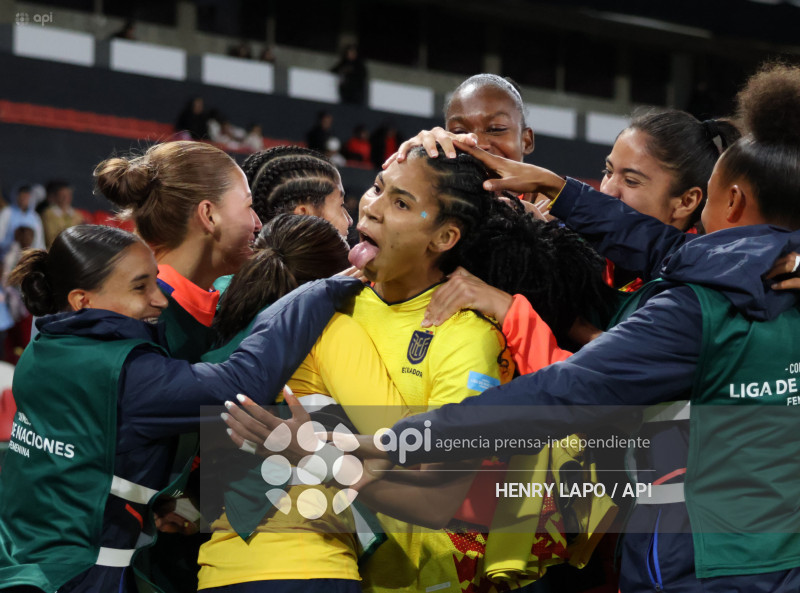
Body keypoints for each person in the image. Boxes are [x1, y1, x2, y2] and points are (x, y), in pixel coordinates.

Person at [313, 62, 800, 593]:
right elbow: (658, 245)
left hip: (700, 565)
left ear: (723, 201)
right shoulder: (771, 276)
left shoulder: (694, 306)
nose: (611, 187)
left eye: (631, 179)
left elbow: (560, 395)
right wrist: (552, 185)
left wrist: (401, 440)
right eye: (607, 170)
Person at [0, 224, 362, 593]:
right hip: (75, 577)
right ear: (82, 301)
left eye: (156, 281)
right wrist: (318, 292)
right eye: (140, 287)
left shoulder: (44, 347)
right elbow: (240, 384)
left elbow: (86, 459)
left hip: (23, 558)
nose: (160, 299)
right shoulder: (123, 374)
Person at [197, 214, 408, 592]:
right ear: (336, 279)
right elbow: (404, 440)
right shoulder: (331, 330)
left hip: (218, 570)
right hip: (307, 565)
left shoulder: (221, 337)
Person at [94, 140, 262, 362]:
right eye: (248, 206)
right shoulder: (135, 318)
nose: (258, 223)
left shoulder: (214, 306)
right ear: (209, 215)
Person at [41, 181, 85, 248]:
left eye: (68, 195)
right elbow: (50, 238)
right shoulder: (48, 214)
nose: (65, 198)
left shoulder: (78, 215)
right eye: (62, 195)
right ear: (56, 196)